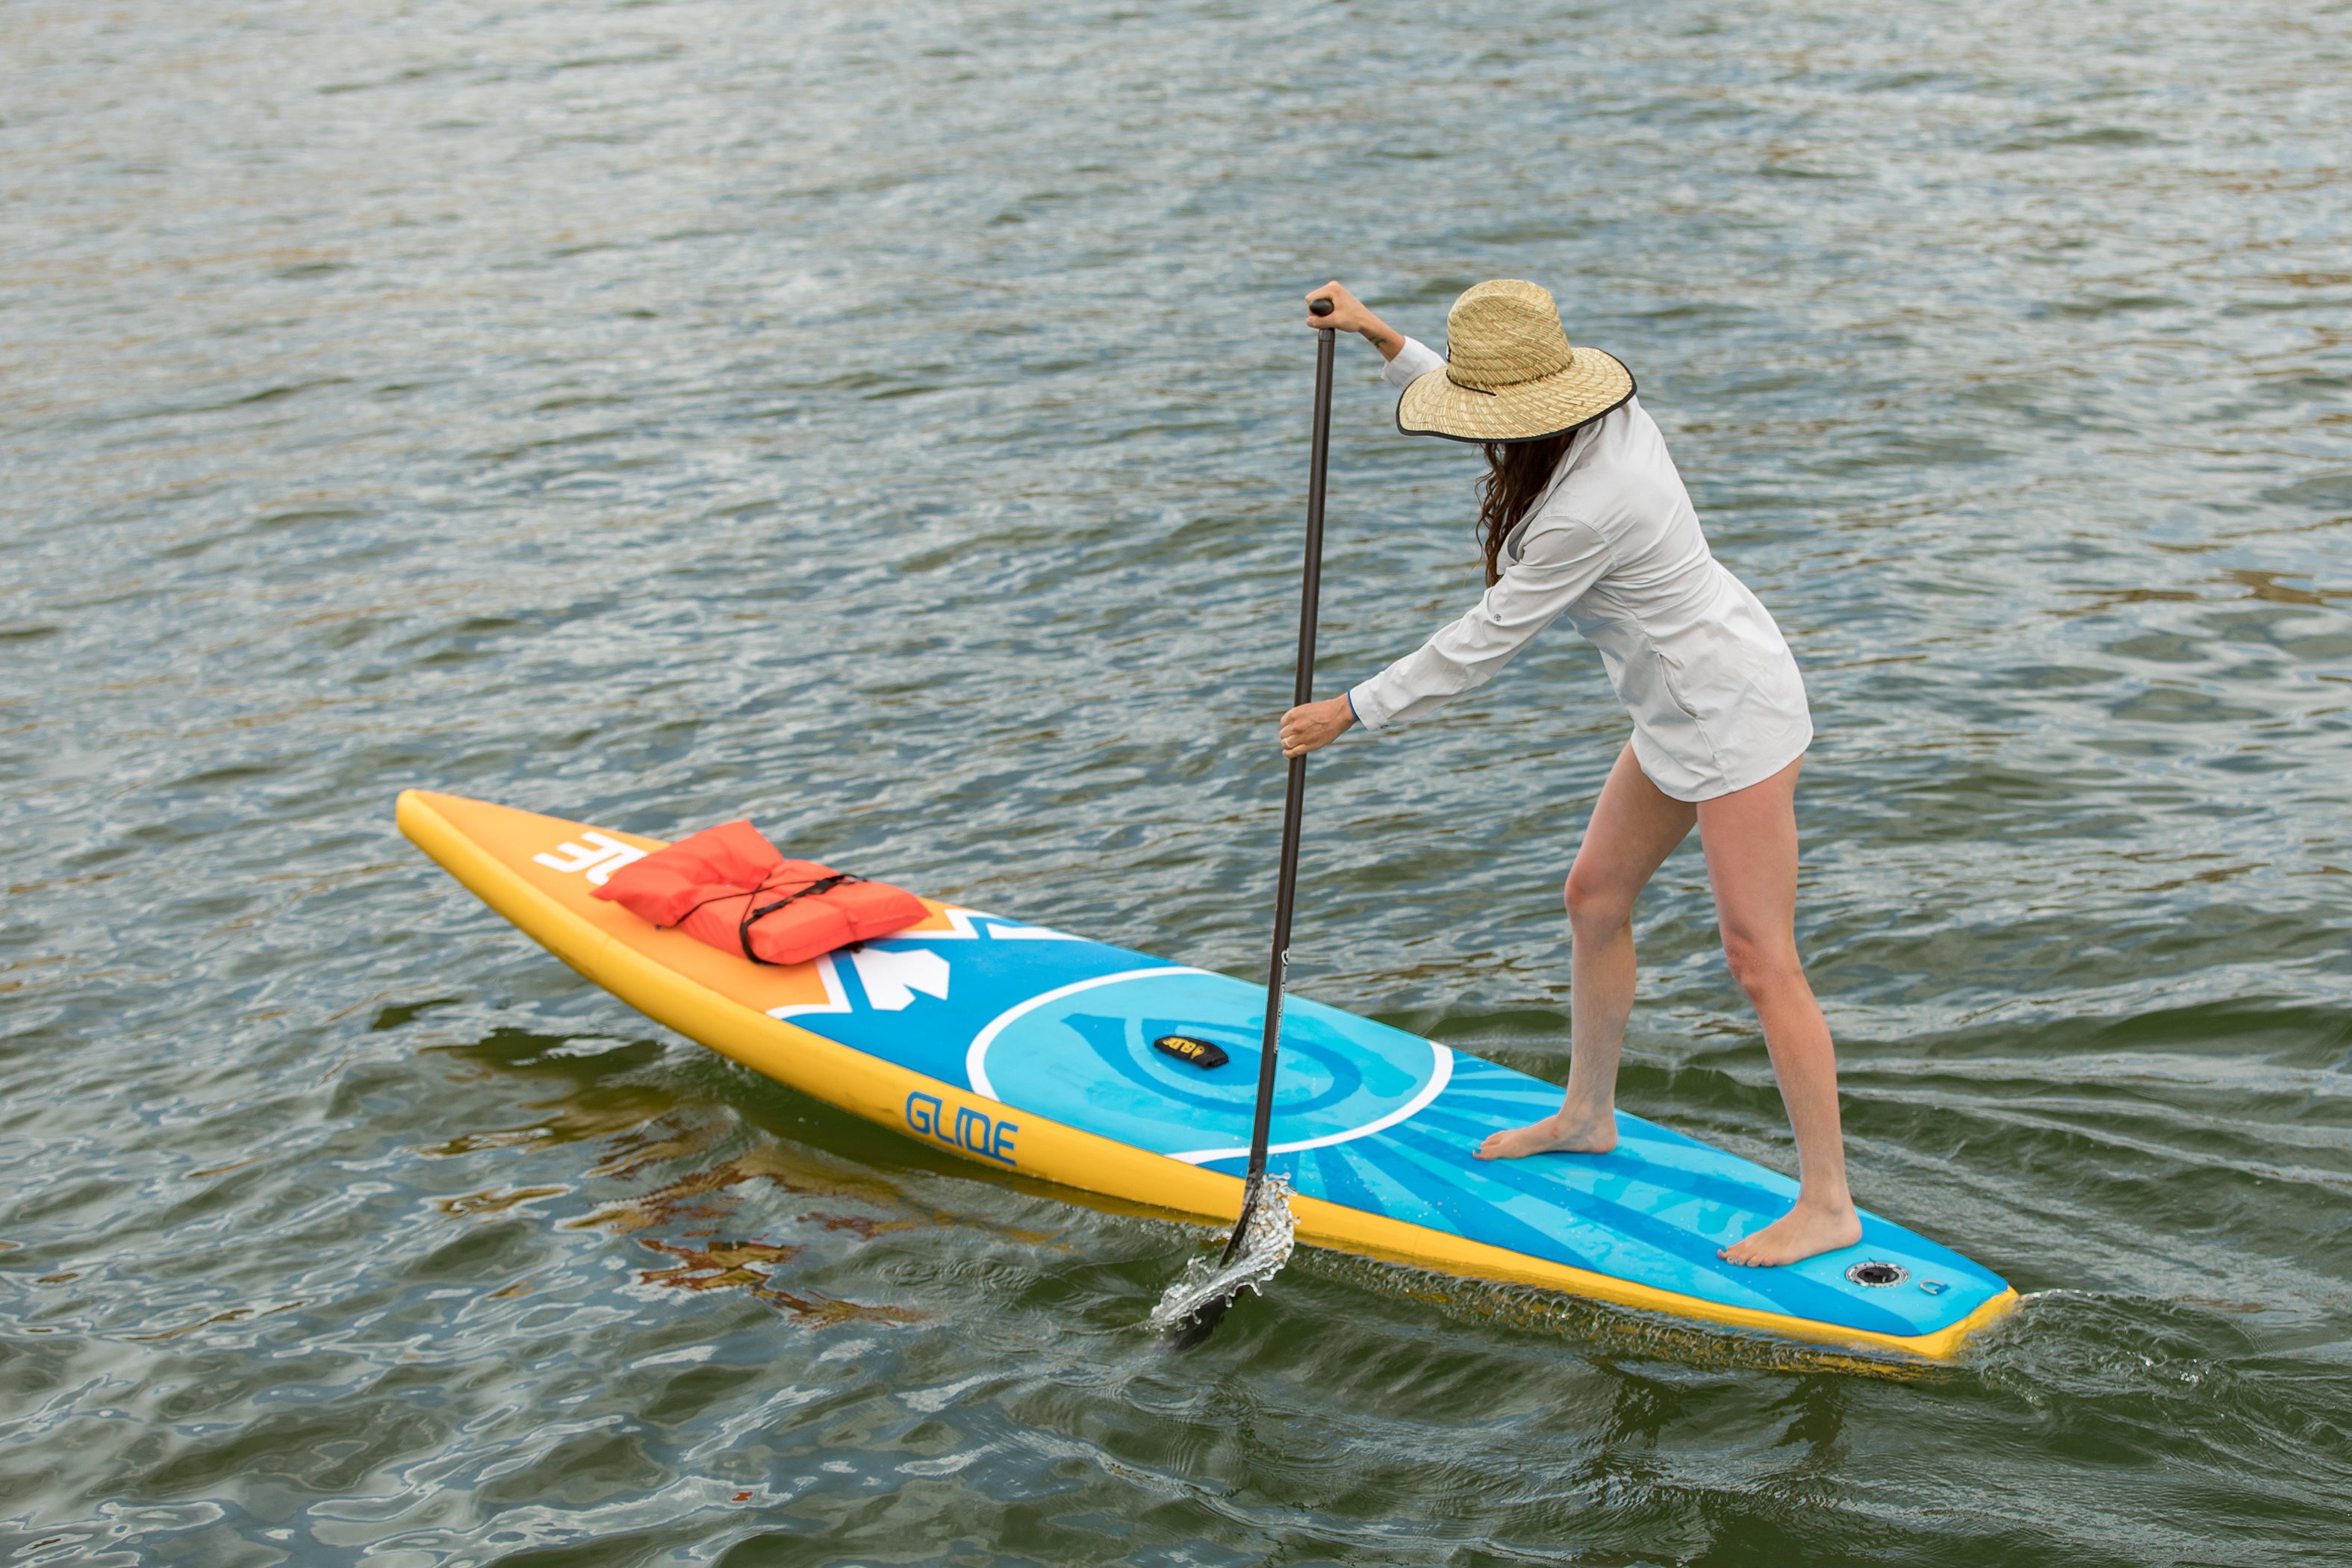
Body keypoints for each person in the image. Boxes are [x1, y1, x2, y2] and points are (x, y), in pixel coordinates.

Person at [1278, 279, 1860, 1267]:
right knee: (1593, 897)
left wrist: (1351, 709)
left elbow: (1481, 644)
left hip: (1730, 716)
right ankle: (1588, 1114)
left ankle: (1828, 1204)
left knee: (1759, 956)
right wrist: (1384, 336)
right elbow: (1494, 397)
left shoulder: (1588, 510)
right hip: (1677, 703)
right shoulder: (1605, 411)